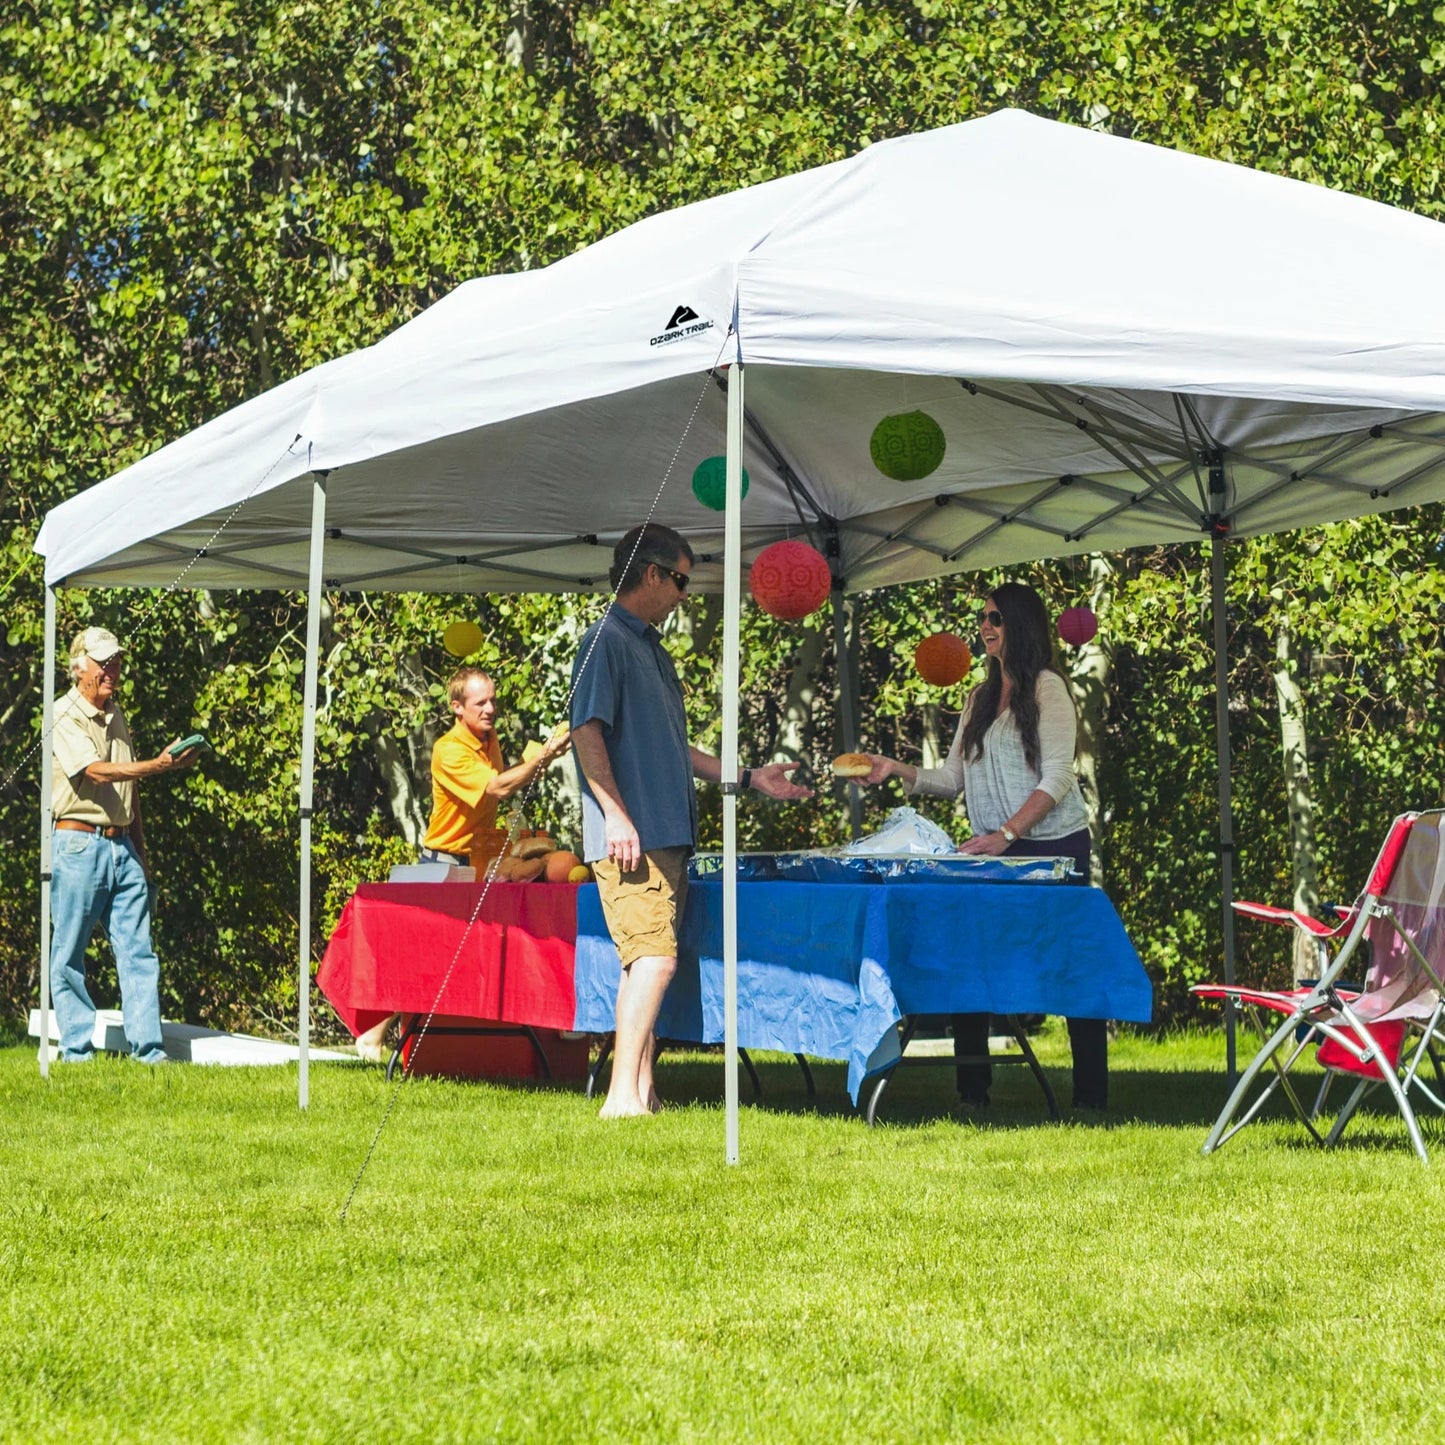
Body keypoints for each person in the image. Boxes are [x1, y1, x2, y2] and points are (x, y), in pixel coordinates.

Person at [571, 523, 812, 1118]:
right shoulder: (605, 639)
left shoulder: (649, 648)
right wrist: (617, 817)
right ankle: (619, 1098)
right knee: (656, 959)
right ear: (651, 574)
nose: (685, 593)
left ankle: (642, 1092)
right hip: (633, 836)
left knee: (643, 962)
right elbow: (585, 731)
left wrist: (749, 776)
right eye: (680, 579)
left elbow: (673, 747)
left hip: (665, 835)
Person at [857, 582, 1108, 1112]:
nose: (985, 627)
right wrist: (894, 769)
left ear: (1021, 624)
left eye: (995, 618)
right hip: (994, 853)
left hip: (1053, 852)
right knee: (966, 957)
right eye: (982, 618)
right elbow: (951, 779)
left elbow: (1059, 776)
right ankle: (973, 1091)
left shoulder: (1048, 689)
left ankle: (1091, 1098)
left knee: (1071, 967)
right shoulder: (977, 697)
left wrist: (1007, 835)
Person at [354, 665, 572, 1062]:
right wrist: (543, 756)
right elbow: (497, 787)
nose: (490, 708)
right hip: (442, 862)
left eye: (492, 700)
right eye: (480, 702)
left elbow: (499, 783)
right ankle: (374, 1032)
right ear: (457, 707)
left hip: (476, 861)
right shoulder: (448, 749)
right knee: (428, 954)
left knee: (459, 952)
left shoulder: (489, 738)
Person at [48, 627, 198, 1063]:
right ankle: (76, 1053)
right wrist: (158, 765)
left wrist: (141, 853)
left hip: (122, 847)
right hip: (78, 845)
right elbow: (95, 772)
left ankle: (149, 1055)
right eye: (104, 663)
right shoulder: (63, 713)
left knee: (138, 952)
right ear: (80, 668)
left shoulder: (117, 714)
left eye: (116, 662)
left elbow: (130, 794)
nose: (113, 670)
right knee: (69, 954)